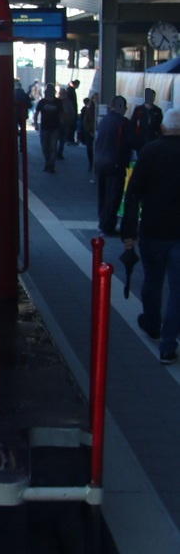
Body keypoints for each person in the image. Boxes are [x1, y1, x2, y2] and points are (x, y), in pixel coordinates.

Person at [120, 107, 180, 364]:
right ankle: (168, 345)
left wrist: (129, 231)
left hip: (153, 230)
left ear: (163, 128)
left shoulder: (150, 151)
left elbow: (133, 194)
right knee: (178, 291)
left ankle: (152, 323)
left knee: (152, 280)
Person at [94, 95, 132, 234]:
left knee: (102, 194)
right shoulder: (123, 122)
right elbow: (133, 141)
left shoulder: (104, 120)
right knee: (113, 195)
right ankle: (108, 225)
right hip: (115, 163)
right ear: (122, 107)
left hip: (100, 162)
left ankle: (102, 222)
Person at [33, 83, 64, 173]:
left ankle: (50, 165)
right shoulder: (43, 102)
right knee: (46, 147)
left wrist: (36, 124)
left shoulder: (56, 102)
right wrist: (35, 123)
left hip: (53, 127)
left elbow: (62, 114)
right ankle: (49, 163)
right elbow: (36, 113)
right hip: (47, 127)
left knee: (51, 147)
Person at [128, 88, 163, 153]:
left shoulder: (157, 111)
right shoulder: (138, 109)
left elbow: (159, 126)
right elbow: (132, 124)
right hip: (140, 141)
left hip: (152, 140)